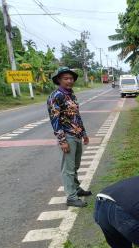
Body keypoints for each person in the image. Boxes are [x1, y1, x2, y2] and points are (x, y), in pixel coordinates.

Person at [47, 66, 91, 207]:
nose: (69, 81)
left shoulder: (71, 95)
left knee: (75, 165)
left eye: (71, 78)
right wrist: (62, 140)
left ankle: (76, 189)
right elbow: (55, 120)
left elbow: (76, 116)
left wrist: (83, 133)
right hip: (67, 136)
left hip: (76, 134)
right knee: (68, 168)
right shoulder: (56, 96)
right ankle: (71, 197)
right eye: (66, 78)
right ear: (59, 80)